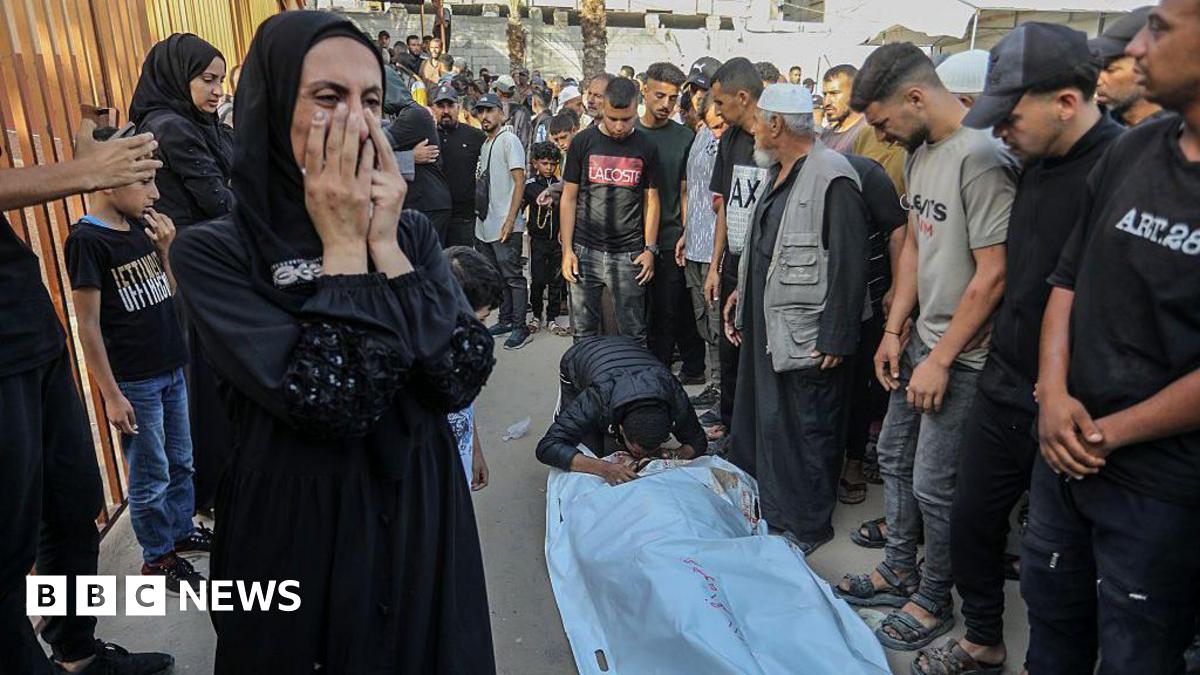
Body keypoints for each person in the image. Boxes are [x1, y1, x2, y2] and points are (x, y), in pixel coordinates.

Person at [168, 12, 496, 672]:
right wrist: (344, 250)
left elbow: (459, 373)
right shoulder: (215, 253)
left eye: (370, 100)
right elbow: (334, 400)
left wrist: (385, 247)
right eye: (327, 97)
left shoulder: (409, 235)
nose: (356, 120)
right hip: (298, 529)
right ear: (270, 106)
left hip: (419, 510)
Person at [910, 23, 1122, 675]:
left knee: (1057, 562)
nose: (1000, 130)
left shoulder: (1122, 168)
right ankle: (982, 638)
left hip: (1073, 403)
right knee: (971, 520)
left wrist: (1063, 386)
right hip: (1004, 381)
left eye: (1011, 115)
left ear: (1066, 102)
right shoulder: (1027, 161)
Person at [1028, 1, 1200, 671]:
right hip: (1063, 456)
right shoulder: (1132, 149)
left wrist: (1110, 432)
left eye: (1161, 29)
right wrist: (1052, 394)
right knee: (1051, 625)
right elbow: (1067, 280)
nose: (1139, 50)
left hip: (1160, 487)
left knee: (1137, 651)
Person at [833, 42, 1015, 652]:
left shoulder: (981, 156)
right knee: (894, 455)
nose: (880, 134)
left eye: (883, 121)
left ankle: (935, 594)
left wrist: (940, 358)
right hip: (922, 343)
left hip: (961, 357)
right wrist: (895, 329)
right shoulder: (919, 153)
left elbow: (994, 272)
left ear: (915, 97)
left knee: (937, 483)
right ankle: (899, 568)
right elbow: (914, 245)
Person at [0, 121, 174, 675]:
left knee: (73, 504)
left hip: (29, 327)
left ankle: (76, 653)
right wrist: (83, 172)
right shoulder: (89, 239)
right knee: (8, 544)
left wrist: (86, 158)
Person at [723, 84, 869, 555]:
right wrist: (741, 294)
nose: (754, 131)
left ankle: (806, 526)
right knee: (770, 420)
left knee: (806, 425)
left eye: (759, 122)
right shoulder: (778, 170)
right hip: (771, 321)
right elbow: (768, 243)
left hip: (809, 332)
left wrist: (837, 335)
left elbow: (850, 262)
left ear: (776, 124)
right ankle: (770, 507)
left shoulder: (833, 177)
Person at [66, 125, 208, 595]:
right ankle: (157, 556)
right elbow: (88, 326)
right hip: (136, 382)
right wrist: (111, 395)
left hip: (170, 368)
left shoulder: (141, 230)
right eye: (144, 181)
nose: (155, 193)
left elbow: (168, 292)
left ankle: (180, 531)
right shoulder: (88, 240)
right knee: (151, 475)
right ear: (107, 181)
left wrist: (166, 251)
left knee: (182, 461)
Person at [128, 32, 235, 515]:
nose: (217, 90)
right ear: (179, 76)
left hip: (199, 260)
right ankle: (213, 491)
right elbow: (220, 200)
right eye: (207, 79)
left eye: (221, 80)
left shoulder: (193, 123)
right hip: (192, 266)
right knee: (205, 384)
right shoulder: (171, 127)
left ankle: (213, 487)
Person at [817, 62, 910, 506]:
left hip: (870, 293)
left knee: (858, 385)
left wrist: (894, 289)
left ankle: (854, 460)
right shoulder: (811, 163)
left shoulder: (866, 170)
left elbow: (898, 231)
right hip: (826, 293)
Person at [560, 77, 661, 343]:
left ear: (636, 109)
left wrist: (650, 249)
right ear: (603, 107)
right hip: (584, 252)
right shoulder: (582, 142)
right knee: (583, 334)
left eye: (626, 119)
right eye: (612, 118)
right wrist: (567, 250)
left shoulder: (646, 146)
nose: (618, 126)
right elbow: (569, 197)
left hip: (630, 255)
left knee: (633, 334)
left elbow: (651, 200)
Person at [535, 337, 705, 484]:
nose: (642, 457)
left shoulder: (673, 394)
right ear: (621, 428)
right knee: (589, 453)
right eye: (638, 452)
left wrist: (670, 454)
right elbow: (548, 447)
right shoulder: (598, 397)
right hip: (581, 355)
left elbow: (698, 442)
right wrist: (605, 468)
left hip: (629, 352)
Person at [704, 57, 765, 438]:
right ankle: (729, 428)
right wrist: (715, 265)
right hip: (733, 264)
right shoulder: (729, 140)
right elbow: (726, 204)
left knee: (759, 355)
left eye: (720, 102)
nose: (717, 111)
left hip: (766, 269)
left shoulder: (778, 137)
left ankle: (754, 433)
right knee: (731, 352)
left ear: (742, 97)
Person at [638, 62, 705, 383]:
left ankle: (662, 379)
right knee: (641, 315)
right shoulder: (627, 132)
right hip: (629, 241)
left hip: (670, 240)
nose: (666, 104)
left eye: (673, 98)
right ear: (644, 90)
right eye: (660, 95)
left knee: (669, 312)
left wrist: (686, 232)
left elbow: (686, 191)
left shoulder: (683, 137)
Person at [679, 92, 726, 414]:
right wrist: (687, 231)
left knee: (719, 321)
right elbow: (694, 191)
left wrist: (717, 258)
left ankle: (724, 389)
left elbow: (723, 202)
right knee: (704, 322)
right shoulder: (699, 136)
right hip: (695, 244)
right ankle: (715, 385)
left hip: (716, 250)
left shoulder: (732, 142)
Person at [473, 93, 531, 350]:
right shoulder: (486, 143)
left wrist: (510, 220)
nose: (484, 116)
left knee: (513, 277)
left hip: (505, 224)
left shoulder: (509, 139)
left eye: (489, 110)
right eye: (480, 111)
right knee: (498, 277)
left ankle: (520, 327)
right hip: (486, 224)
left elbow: (519, 181)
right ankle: (506, 320)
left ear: (501, 112)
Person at [445, 245, 504, 492]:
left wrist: (475, 450)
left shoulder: (463, 357)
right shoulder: (418, 366)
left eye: (485, 319)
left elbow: (466, 405)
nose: (482, 331)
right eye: (478, 320)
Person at [388, 83, 453, 243]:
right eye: (440, 106)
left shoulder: (414, 115)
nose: (445, 111)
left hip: (428, 204)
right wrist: (409, 157)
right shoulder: (403, 116)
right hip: (418, 204)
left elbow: (372, 146)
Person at [1092, 5, 1170, 128]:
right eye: (1097, 68)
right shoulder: (1099, 127)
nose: (1097, 81)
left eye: (1110, 70)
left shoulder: (1180, 134)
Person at [435, 82, 487, 248]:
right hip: (435, 217)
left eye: (450, 105)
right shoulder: (426, 136)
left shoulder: (475, 136)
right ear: (433, 108)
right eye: (441, 106)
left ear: (458, 107)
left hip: (464, 218)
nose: (445, 111)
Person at [524, 142, 567, 336]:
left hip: (557, 241)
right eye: (544, 163)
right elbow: (519, 206)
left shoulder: (561, 186)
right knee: (538, 279)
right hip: (538, 240)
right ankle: (536, 315)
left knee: (556, 281)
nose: (549, 167)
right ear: (535, 163)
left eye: (553, 163)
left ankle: (551, 318)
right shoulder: (530, 186)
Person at [494, 75, 533, 152]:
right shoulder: (523, 111)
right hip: (516, 155)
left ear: (498, 91)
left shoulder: (492, 110)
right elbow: (525, 140)